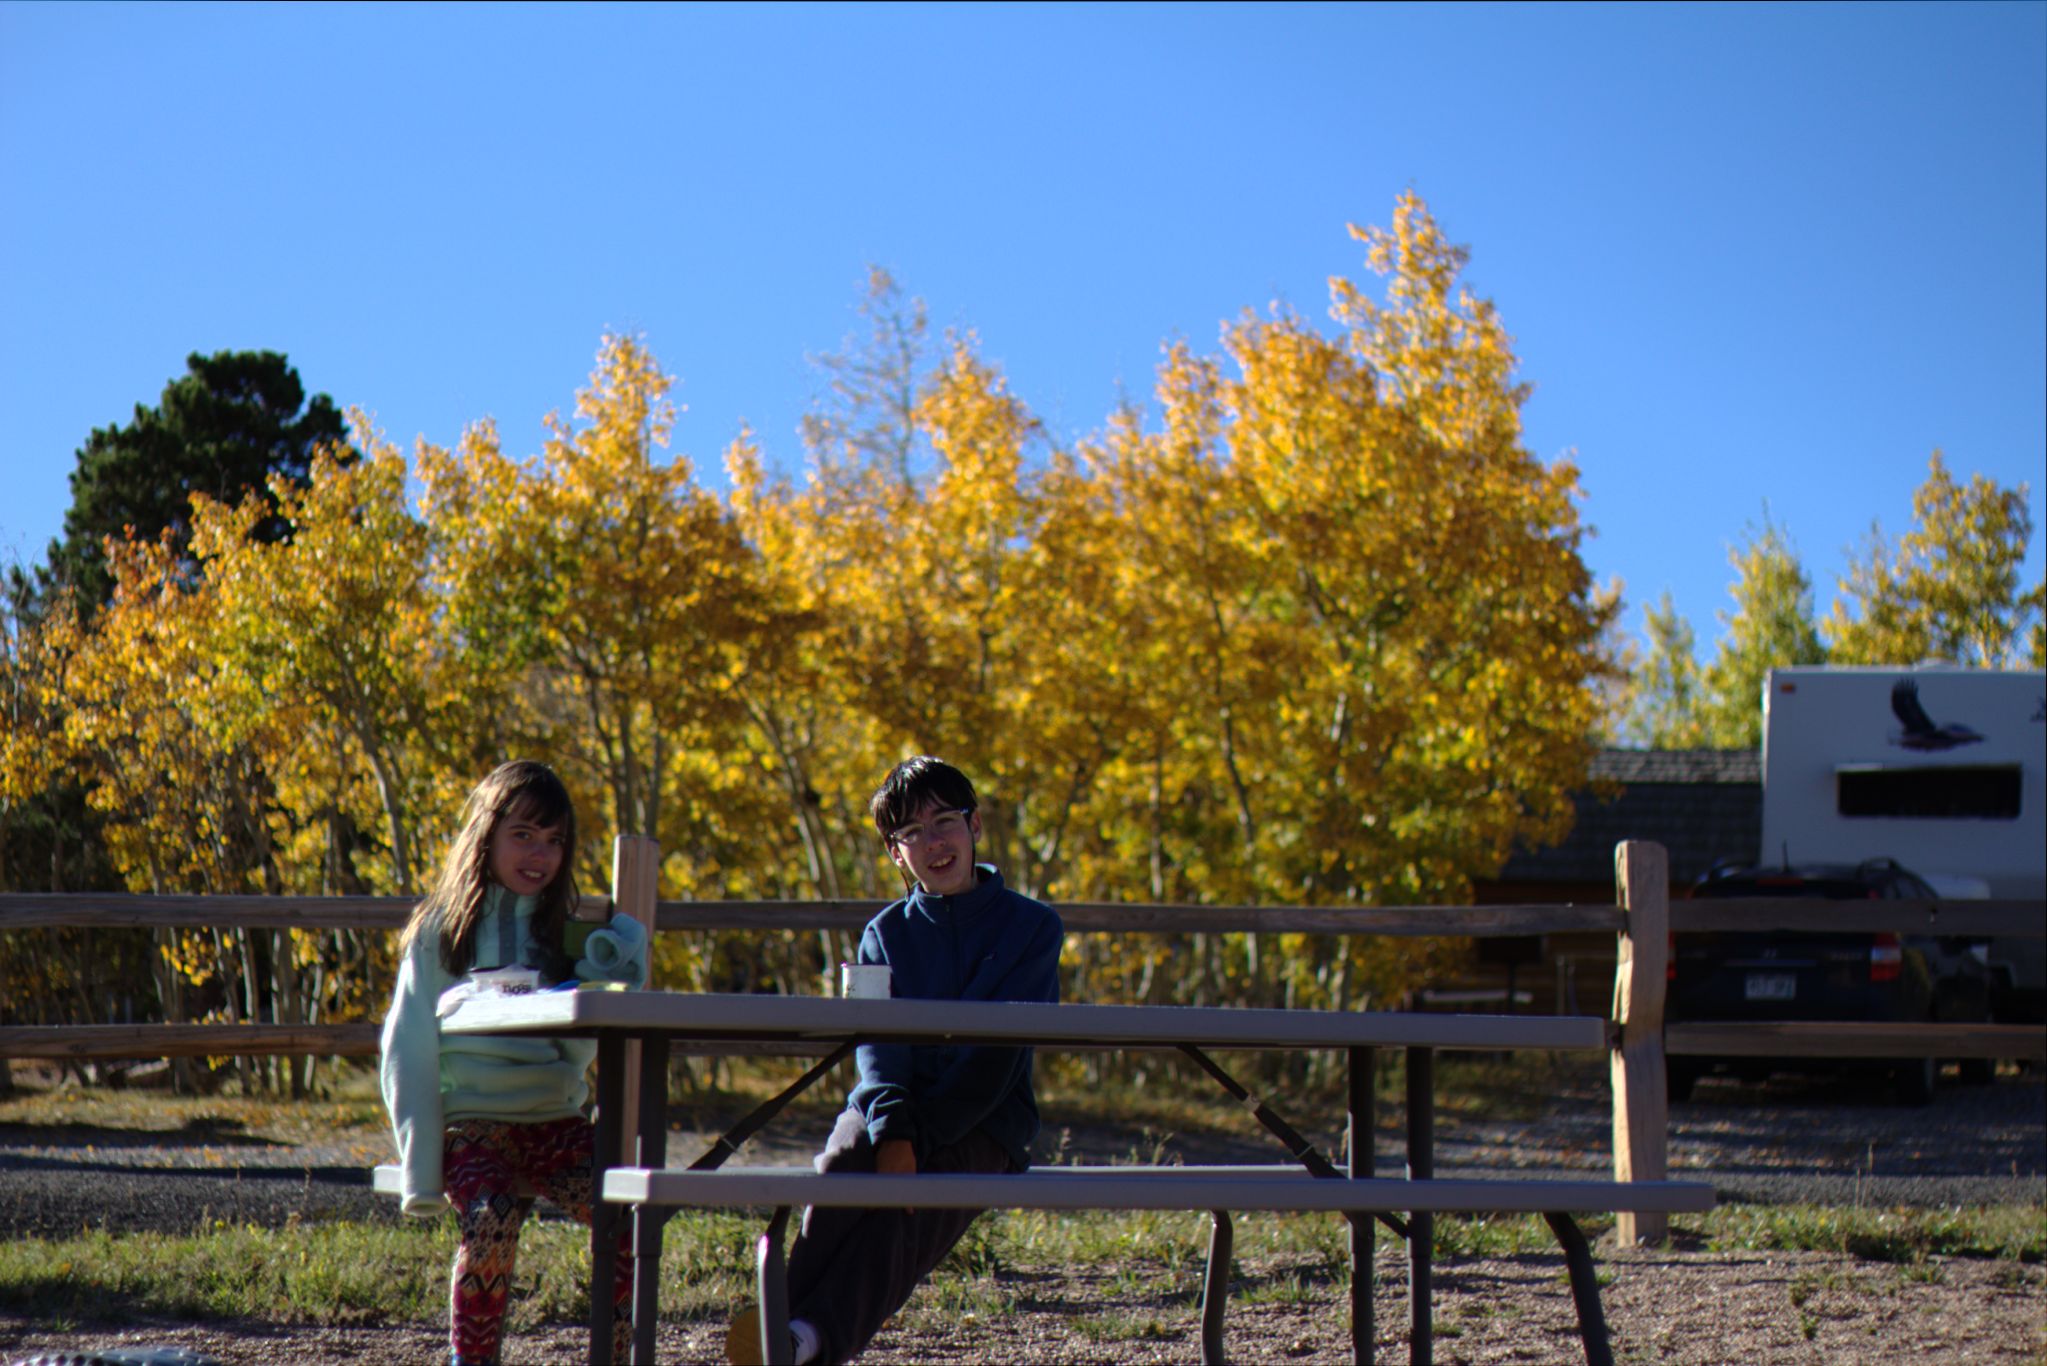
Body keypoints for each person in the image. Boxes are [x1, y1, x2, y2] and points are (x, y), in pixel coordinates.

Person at [727, 755, 1065, 1366]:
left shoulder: (1034, 928)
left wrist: (917, 1141)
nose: (933, 842)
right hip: (892, 1108)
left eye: (945, 822)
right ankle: (777, 1324)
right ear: (895, 853)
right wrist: (893, 1130)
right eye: (911, 832)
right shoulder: (882, 933)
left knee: (904, 1214)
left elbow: (999, 1057)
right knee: (840, 1165)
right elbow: (875, 1044)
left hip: (987, 1122)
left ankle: (811, 1342)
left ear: (975, 826)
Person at [379, 759, 651, 1366]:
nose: (540, 853)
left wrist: (607, 968)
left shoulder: (568, 931)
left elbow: (589, 1033)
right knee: (493, 1216)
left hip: (554, 1122)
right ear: (487, 834)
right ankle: (471, 1361)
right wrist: (420, 1167)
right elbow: (410, 1045)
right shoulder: (442, 929)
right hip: (471, 1125)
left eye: (554, 840)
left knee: (628, 1216)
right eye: (523, 834)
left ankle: (614, 1356)